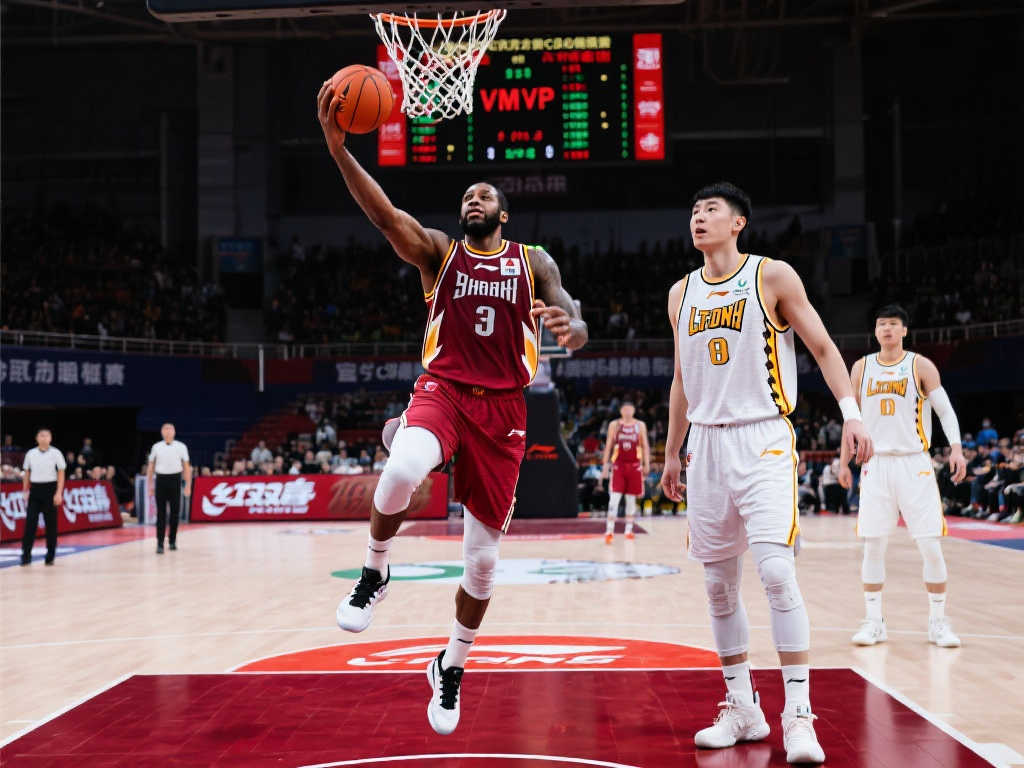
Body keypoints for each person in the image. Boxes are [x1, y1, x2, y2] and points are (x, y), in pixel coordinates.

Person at [317, 78, 588, 736]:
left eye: (485, 195)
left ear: (503, 214)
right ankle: (375, 571)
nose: (473, 199)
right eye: (467, 194)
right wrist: (339, 150)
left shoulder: (533, 261)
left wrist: (574, 330)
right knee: (402, 468)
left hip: (505, 413)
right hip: (444, 390)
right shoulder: (440, 254)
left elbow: (573, 315)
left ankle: (451, 665)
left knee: (483, 562)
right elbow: (387, 218)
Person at [660, 182, 872, 764]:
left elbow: (823, 347)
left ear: (738, 222)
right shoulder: (680, 293)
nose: (699, 217)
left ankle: (798, 715)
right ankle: (742, 707)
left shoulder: (771, 275)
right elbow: (681, 379)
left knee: (776, 571)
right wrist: (672, 451)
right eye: (694, 210)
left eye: (711, 210)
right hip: (706, 444)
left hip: (763, 437)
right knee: (717, 585)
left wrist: (851, 414)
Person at [839, 305, 968, 647]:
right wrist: (843, 463)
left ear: (904, 331)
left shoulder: (920, 365)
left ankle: (938, 623)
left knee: (930, 546)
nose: (887, 329)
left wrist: (956, 449)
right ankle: (873, 621)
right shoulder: (861, 367)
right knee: (873, 546)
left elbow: (945, 411)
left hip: (914, 463)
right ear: (875, 330)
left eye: (893, 324)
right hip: (875, 464)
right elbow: (851, 420)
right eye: (882, 324)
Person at [599, 401, 650, 543]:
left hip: (635, 466)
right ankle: (609, 530)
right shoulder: (614, 425)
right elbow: (609, 445)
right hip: (618, 466)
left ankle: (629, 530)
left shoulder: (640, 425)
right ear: (621, 411)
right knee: (614, 498)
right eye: (625, 409)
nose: (627, 411)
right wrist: (605, 465)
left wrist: (646, 464)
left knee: (631, 500)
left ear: (634, 410)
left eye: (630, 409)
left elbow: (645, 446)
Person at [21, 428, 66, 566]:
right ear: (37, 438)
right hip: (35, 490)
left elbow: (61, 473)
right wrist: (25, 490)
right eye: (41, 435)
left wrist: (58, 493)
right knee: (30, 524)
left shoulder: (56, 453)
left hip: (50, 489)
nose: (44, 438)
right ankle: (26, 556)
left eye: (46, 435)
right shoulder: (31, 453)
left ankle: (50, 555)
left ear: (50, 438)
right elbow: (27, 473)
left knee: (51, 525)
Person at [146, 423, 191, 554]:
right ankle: (160, 543)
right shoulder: (156, 447)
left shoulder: (181, 446)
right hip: (161, 480)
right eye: (165, 429)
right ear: (161, 432)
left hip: (175, 479)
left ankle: (172, 540)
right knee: (161, 513)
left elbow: (186, 467)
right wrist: (150, 485)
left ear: (174, 431)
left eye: (170, 429)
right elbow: (150, 467)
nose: (168, 431)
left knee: (175, 513)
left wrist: (188, 485)